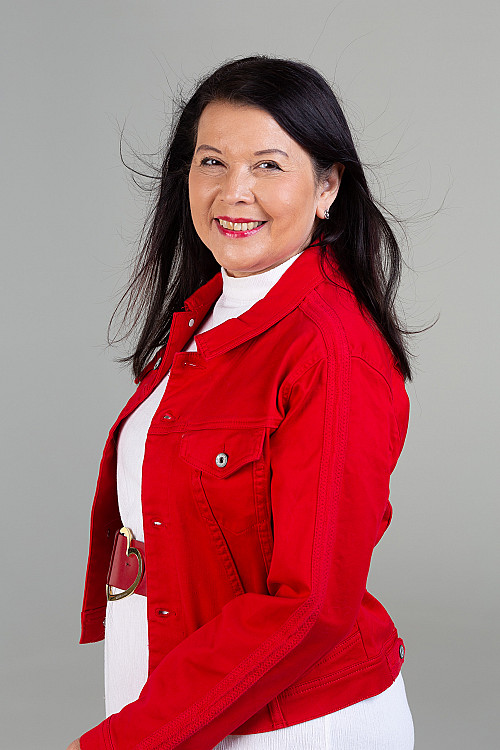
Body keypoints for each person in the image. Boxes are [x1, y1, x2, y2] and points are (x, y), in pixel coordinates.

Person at [68, 55, 416, 750]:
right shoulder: (210, 314)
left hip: (286, 724)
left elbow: (311, 607)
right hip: (182, 703)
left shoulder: (329, 349)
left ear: (327, 187)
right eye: (212, 163)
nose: (234, 192)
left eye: (268, 166)